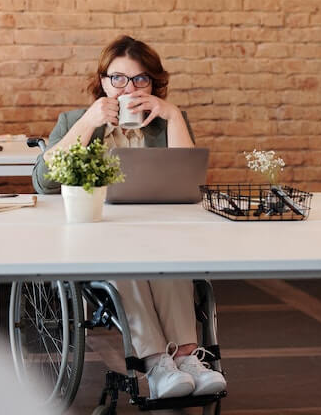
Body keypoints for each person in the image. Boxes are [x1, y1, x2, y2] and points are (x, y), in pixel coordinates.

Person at [32, 35, 226, 400]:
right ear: (103, 81)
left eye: (140, 79)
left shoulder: (166, 122)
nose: (128, 88)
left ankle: (187, 360)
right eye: (117, 78)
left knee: (169, 264)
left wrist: (171, 115)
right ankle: (156, 365)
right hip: (98, 237)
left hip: (159, 234)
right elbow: (43, 181)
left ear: (154, 84)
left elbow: (190, 182)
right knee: (130, 262)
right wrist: (89, 122)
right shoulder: (74, 120)